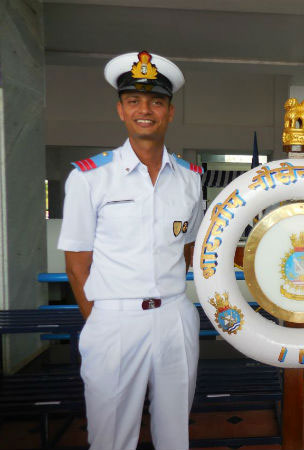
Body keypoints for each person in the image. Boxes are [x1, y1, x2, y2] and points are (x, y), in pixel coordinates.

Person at [58, 51, 204, 450]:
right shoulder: (90, 178)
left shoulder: (190, 179)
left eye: (156, 101)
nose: (145, 110)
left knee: (175, 434)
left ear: (170, 112)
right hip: (115, 321)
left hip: (175, 316)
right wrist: (101, 322)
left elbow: (187, 247)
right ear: (120, 110)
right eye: (134, 101)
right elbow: (76, 265)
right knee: (111, 438)